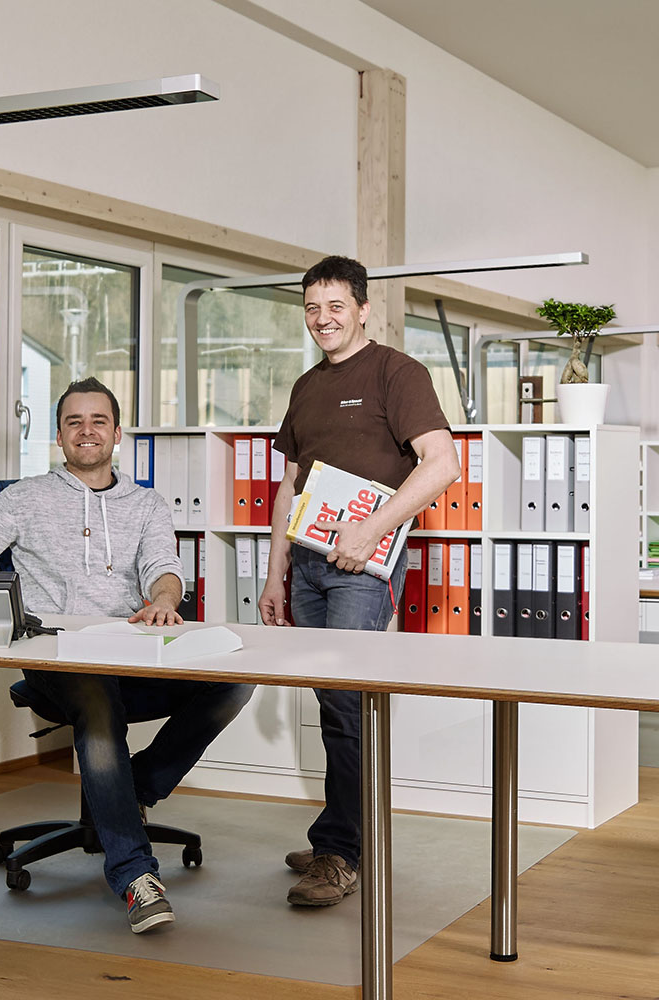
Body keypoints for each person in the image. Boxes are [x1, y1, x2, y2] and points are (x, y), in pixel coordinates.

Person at [0, 376, 254, 933]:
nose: (87, 431)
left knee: (235, 680)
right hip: (57, 659)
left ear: (117, 433)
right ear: (59, 437)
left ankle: (130, 790)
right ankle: (134, 874)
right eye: (74, 422)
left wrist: (163, 601)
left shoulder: (147, 504)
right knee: (95, 701)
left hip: (131, 652)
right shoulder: (27, 498)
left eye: (98, 421)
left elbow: (163, 569)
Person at [257, 256, 459, 908]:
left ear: (363, 308)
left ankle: (341, 854)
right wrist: (274, 573)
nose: (323, 319)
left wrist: (373, 529)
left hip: (362, 569)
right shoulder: (307, 385)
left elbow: (442, 463)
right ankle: (339, 835)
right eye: (313, 308)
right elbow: (290, 486)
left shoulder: (397, 373)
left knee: (345, 707)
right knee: (332, 706)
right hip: (309, 566)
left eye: (336, 306)